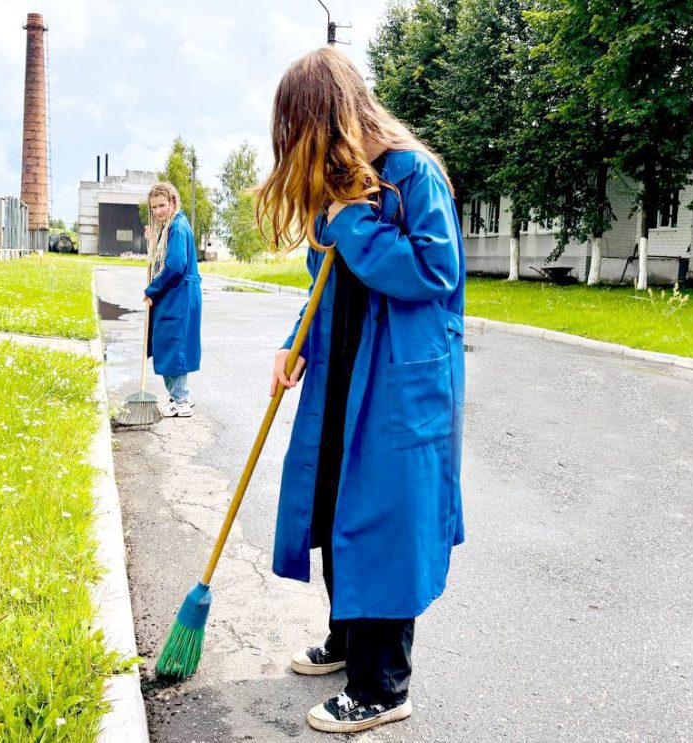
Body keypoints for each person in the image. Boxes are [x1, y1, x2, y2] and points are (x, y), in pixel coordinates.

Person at [257, 47, 466, 734]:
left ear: (329, 116)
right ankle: (349, 643)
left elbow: (433, 275)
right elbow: (323, 284)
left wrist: (355, 222)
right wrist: (295, 341)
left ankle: (383, 686)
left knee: (384, 524)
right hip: (342, 372)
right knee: (334, 509)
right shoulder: (338, 184)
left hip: (399, 382)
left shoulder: (412, 174)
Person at [143, 182, 202, 418]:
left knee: (174, 345)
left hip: (178, 295)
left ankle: (181, 401)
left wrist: (152, 289)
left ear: (173, 202)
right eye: (154, 207)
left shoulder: (177, 227)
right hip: (177, 294)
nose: (158, 211)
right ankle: (178, 396)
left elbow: (175, 265)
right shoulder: (171, 226)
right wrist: (152, 238)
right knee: (169, 343)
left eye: (162, 205)